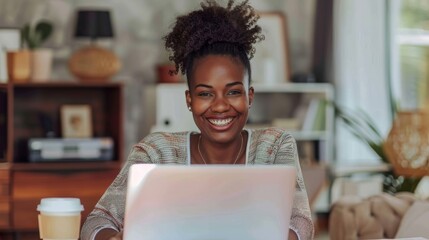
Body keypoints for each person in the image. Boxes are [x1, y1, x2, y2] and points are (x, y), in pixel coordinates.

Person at [81, 0, 314, 239]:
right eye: (205, 94)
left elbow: (301, 222)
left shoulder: (274, 146)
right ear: (189, 99)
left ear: (249, 96)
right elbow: (96, 222)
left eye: (233, 91)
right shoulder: (157, 152)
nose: (221, 106)